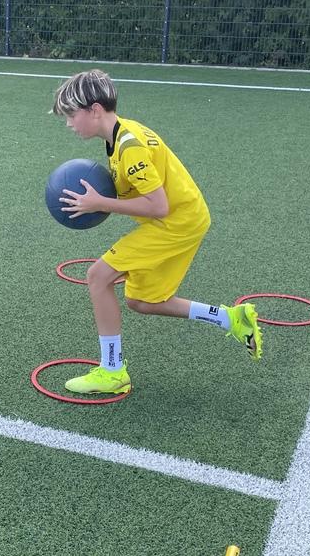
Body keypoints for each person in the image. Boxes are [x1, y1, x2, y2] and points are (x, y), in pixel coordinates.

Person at [51, 69, 262, 395]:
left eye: (71, 114)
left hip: (174, 222)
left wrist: (99, 203)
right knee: (142, 301)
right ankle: (230, 319)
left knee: (98, 277)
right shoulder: (119, 135)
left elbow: (158, 206)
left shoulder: (129, 146)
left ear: (94, 110)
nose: (68, 123)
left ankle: (112, 371)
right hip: (186, 218)